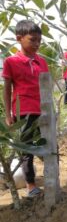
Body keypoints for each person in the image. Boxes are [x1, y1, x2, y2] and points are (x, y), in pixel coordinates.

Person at [2, 20, 49, 197]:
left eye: (39, 40)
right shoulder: (11, 61)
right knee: (26, 148)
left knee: (50, 145)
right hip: (24, 112)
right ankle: (31, 185)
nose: (37, 44)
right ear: (19, 38)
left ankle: (53, 179)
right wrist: (8, 114)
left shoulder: (42, 62)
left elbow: (46, 87)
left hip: (44, 110)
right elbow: (7, 89)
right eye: (32, 40)